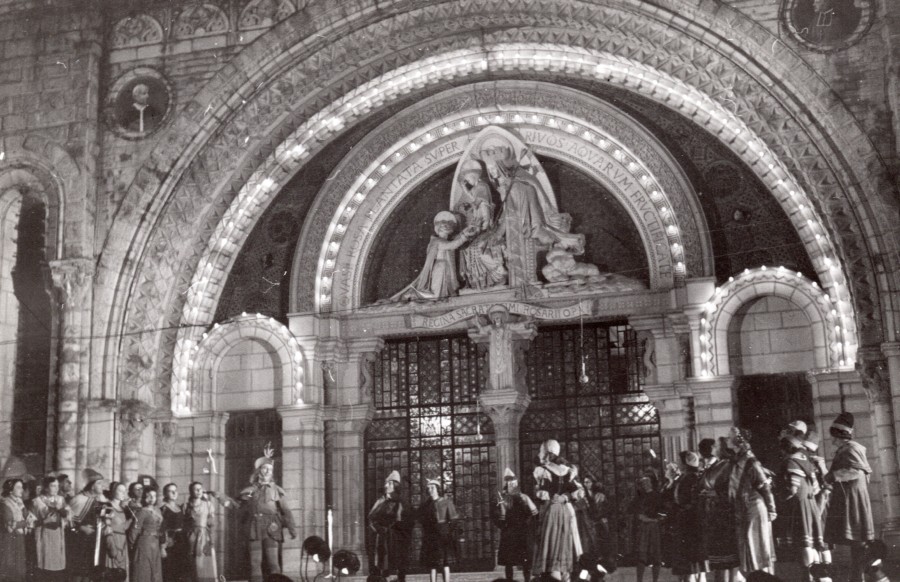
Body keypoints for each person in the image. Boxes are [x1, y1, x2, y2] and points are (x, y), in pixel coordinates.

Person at [823, 412, 874, 582]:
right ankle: (857, 577)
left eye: (834, 437)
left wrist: (832, 476)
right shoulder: (849, 449)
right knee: (856, 541)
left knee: (858, 541)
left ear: (840, 435)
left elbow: (855, 472)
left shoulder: (851, 449)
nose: (832, 441)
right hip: (852, 497)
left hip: (853, 500)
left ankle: (859, 577)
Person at [237, 445, 296, 582]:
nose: (268, 471)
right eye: (265, 468)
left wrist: (292, 528)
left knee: (273, 562)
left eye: (270, 469)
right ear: (258, 471)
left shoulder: (277, 490)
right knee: (255, 562)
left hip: (272, 528)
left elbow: (286, 511)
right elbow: (240, 507)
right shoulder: (250, 490)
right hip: (254, 528)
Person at [391, 211, 477, 301]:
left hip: (445, 266)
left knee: (445, 288)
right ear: (440, 230)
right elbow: (452, 245)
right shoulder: (437, 241)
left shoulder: (442, 240)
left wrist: (465, 232)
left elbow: (455, 240)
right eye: (445, 229)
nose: (447, 232)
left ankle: (442, 297)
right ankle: (415, 294)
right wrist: (465, 236)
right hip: (440, 267)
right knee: (437, 292)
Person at [728, 427, 777, 577]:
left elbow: (764, 486)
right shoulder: (737, 459)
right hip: (745, 508)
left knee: (758, 549)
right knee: (749, 550)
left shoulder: (750, 460)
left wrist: (772, 509)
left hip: (754, 508)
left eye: (729, 437)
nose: (727, 440)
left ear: (737, 441)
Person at [775, 434, 826, 578]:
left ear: (785, 449)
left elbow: (793, 488)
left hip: (799, 507)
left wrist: (781, 498)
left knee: (804, 544)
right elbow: (816, 489)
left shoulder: (791, 462)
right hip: (811, 504)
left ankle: (808, 576)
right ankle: (818, 576)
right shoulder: (807, 462)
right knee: (811, 542)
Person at [532, 439, 581, 580]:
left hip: (551, 510)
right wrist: (565, 497)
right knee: (564, 542)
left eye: (541, 451)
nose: (539, 454)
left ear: (547, 453)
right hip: (566, 511)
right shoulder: (568, 471)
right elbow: (576, 492)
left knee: (551, 543)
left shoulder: (543, 470)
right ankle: (563, 574)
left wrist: (545, 494)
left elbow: (542, 494)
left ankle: (555, 573)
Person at [699, 437, 740, 582]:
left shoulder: (728, 465)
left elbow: (733, 488)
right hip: (712, 513)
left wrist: (716, 494)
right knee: (717, 557)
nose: (713, 448)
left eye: (715, 446)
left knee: (725, 557)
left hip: (723, 514)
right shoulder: (713, 466)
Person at [667, 451, 708, 582]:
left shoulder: (692, 477)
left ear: (685, 463)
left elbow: (690, 500)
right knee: (686, 559)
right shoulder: (684, 477)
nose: (677, 463)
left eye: (679, 460)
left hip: (690, 522)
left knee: (691, 560)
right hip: (684, 520)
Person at [494, 468, 537, 582]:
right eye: (509, 482)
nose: (511, 485)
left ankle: (527, 580)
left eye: (513, 482)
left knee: (525, 560)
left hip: (522, 531)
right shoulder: (501, 498)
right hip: (509, 531)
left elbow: (534, 513)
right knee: (509, 562)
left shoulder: (524, 497)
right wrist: (503, 521)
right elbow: (498, 516)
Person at [368, 470, 411, 582]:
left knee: (394, 571)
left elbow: (402, 521)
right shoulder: (381, 501)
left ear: (395, 486)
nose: (386, 485)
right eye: (386, 483)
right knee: (382, 568)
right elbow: (371, 517)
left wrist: (389, 529)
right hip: (381, 539)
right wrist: (378, 527)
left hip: (394, 540)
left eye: (389, 483)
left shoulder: (400, 502)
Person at [68, 469, 109, 582]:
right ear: (92, 486)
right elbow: (68, 521)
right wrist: (81, 528)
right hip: (80, 541)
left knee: (93, 572)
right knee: (79, 572)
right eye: (99, 483)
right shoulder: (78, 499)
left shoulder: (99, 500)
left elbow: (105, 518)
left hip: (96, 541)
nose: (102, 486)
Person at [420, 478, 459, 582]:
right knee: (433, 564)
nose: (430, 490)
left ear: (438, 489)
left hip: (443, 537)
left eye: (432, 488)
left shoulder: (446, 502)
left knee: (445, 562)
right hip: (431, 537)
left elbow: (454, 520)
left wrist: (446, 531)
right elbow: (422, 520)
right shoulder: (425, 505)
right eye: (429, 488)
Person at [31, 475, 68, 580]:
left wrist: (60, 509)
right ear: (46, 488)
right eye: (53, 486)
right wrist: (44, 521)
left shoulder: (61, 499)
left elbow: (67, 515)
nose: (56, 488)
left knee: (57, 566)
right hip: (44, 535)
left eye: (57, 486)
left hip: (57, 535)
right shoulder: (37, 501)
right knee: (45, 563)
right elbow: (31, 522)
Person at [183, 481, 218, 582]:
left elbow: (212, 524)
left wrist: (212, 539)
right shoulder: (186, 506)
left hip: (204, 536)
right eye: (196, 489)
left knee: (204, 561)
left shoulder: (208, 505)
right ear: (191, 491)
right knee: (192, 562)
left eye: (200, 489)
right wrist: (188, 535)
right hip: (191, 536)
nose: (199, 491)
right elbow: (184, 524)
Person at [1, 478, 33, 582]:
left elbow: (28, 517)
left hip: (19, 538)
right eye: (18, 487)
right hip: (9, 540)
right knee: (11, 567)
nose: (22, 490)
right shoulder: (4, 504)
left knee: (19, 568)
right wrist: (25, 523)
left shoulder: (19, 502)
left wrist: (23, 509)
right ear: (10, 490)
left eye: (22, 487)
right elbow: (10, 524)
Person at [129, 488, 164, 582]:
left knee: (155, 568)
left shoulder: (157, 510)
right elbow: (135, 529)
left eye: (154, 496)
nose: (152, 498)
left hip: (155, 542)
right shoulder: (141, 511)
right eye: (149, 496)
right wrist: (132, 545)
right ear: (144, 497)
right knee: (144, 567)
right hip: (145, 542)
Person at [634, 469, 663, 582]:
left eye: (647, 481)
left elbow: (662, 511)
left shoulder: (657, 495)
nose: (645, 484)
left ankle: (655, 580)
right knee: (641, 555)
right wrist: (639, 516)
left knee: (656, 556)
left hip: (654, 527)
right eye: (643, 482)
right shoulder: (640, 496)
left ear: (651, 482)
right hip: (643, 527)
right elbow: (633, 509)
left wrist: (654, 519)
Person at [104, 481, 132, 580]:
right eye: (120, 491)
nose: (123, 493)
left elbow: (123, 527)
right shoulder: (107, 507)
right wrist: (112, 546)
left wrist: (132, 518)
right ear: (113, 491)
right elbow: (106, 526)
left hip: (123, 542)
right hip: (113, 540)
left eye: (124, 491)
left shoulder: (123, 509)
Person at [161, 483, 188, 582]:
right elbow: (162, 528)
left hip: (181, 540)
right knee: (171, 568)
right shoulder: (164, 509)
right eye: (170, 491)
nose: (174, 493)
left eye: (175, 490)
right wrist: (163, 545)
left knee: (182, 568)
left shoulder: (180, 508)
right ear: (165, 494)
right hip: (170, 541)